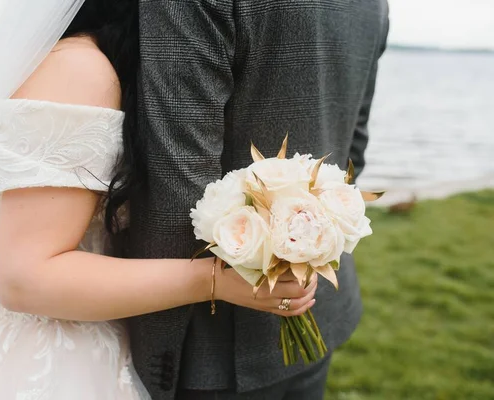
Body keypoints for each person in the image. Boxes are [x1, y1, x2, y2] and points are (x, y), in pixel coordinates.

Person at [0, 1, 315, 398]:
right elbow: (24, 277)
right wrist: (212, 280)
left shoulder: (101, 66)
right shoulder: (77, 70)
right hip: (40, 355)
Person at [127, 1, 390, 399]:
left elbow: (178, 189)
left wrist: (150, 355)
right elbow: (353, 152)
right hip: (320, 305)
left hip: (208, 347)